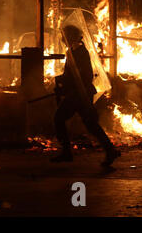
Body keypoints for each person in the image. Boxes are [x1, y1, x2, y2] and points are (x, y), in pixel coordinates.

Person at [51, 25, 120, 167]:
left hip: (80, 94)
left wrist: (66, 85)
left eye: (64, 36)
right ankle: (109, 150)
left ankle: (67, 153)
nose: (62, 38)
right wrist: (60, 82)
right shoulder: (71, 51)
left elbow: (85, 76)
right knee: (90, 124)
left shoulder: (81, 52)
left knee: (60, 118)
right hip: (76, 94)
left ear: (70, 37)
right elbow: (69, 74)